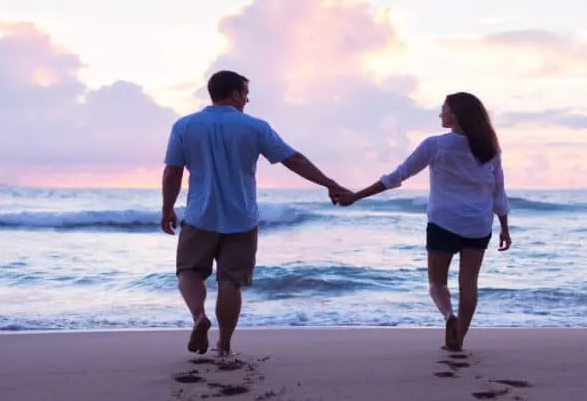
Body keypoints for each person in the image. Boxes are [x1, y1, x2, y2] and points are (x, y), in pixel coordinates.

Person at [161, 69, 347, 357]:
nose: (247, 99)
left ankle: (199, 317)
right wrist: (329, 183)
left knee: (188, 271)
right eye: (246, 93)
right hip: (242, 218)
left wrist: (167, 208)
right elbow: (293, 160)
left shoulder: (184, 126)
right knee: (230, 281)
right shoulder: (255, 127)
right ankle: (224, 346)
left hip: (200, 215)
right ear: (235, 94)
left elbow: (172, 172)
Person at [334, 92, 511, 351]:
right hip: (478, 224)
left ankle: (449, 317)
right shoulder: (489, 148)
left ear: (457, 115)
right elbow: (498, 192)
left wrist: (356, 196)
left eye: (444, 109)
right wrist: (505, 227)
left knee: (436, 283)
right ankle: (458, 339)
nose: (441, 114)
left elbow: (396, 176)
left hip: (443, 222)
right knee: (469, 282)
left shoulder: (435, 145)